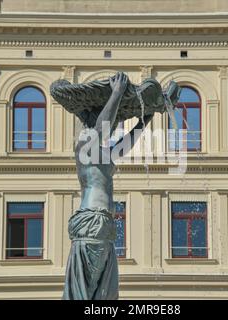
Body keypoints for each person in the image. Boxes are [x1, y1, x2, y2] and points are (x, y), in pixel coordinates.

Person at [63, 72, 154, 300]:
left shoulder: (105, 153)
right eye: (112, 123)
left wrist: (146, 118)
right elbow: (103, 128)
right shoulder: (84, 146)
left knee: (106, 295)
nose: (114, 128)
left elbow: (128, 142)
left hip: (104, 230)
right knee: (87, 293)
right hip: (91, 224)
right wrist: (116, 93)